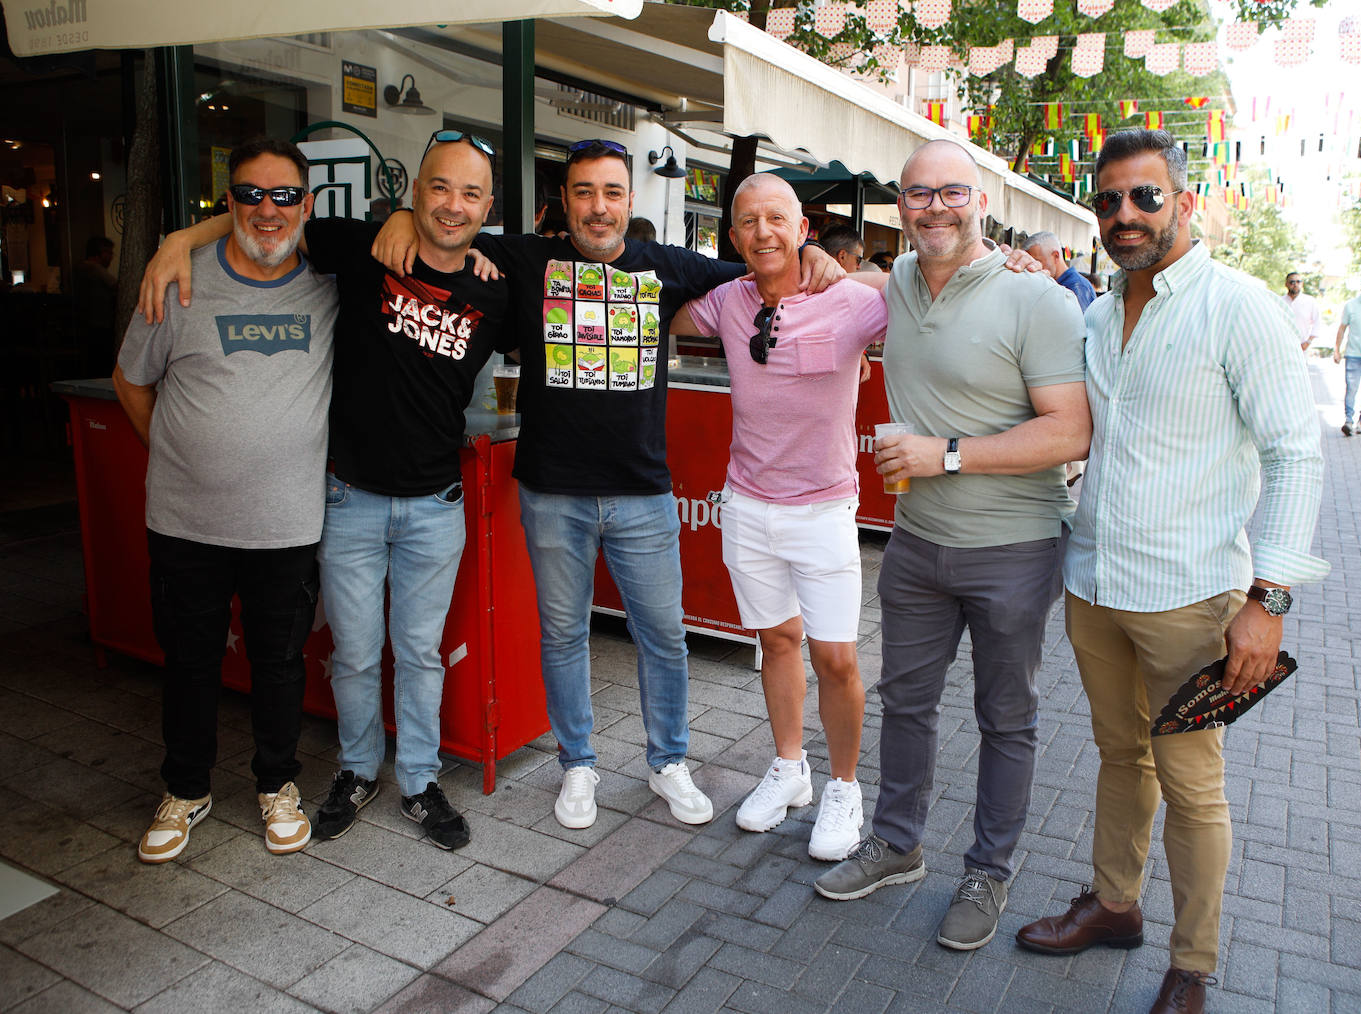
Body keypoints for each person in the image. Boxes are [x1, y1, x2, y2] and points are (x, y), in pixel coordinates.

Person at [373, 138, 844, 831]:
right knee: (562, 635)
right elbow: (450, 224)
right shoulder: (523, 260)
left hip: (643, 493)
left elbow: (758, 266)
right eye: (585, 192)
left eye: (613, 192)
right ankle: (579, 765)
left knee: (663, 636)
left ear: (632, 200)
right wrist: (399, 219)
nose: (599, 207)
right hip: (551, 491)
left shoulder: (666, 267)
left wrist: (811, 255)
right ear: (563, 202)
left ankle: (668, 763)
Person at [1014, 129, 1327, 1014]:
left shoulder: (1238, 306)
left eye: (1144, 197)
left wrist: (1268, 600)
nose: (1124, 214)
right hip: (1096, 585)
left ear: (1183, 203)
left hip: (1193, 599)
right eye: (1108, 200)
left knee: (1192, 785)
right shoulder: (1097, 314)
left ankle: (1194, 964)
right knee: (1121, 755)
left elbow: (1297, 456)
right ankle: (1115, 905)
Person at [138, 131, 513, 851]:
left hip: (436, 504)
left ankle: (419, 781)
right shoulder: (362, 248)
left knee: (421, 652)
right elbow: (269, 213)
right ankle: (355, 771)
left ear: (488, 207)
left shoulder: (500, 283)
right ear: (414, 193)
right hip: (348, 499)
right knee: (355, 653)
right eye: (438, 187)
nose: (453, 205)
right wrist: (177, 239)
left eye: (470, 193)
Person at [813, 139, 1090, 955]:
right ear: (900, 204)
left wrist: (950, 452)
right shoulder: (897, 281)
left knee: (1005, 718)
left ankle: (988, 871)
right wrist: (812, 257)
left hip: (1014, 546)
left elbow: (1071, 430)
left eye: (951, 192)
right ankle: (897, 843)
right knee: (906, 703)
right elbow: (856, 280)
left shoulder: (1036, 300)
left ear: (982, 201)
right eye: (917, 193)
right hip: (916, 543)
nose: (934, 206)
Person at [115, 137, 338, 863]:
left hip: (287, 523)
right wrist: (181, 455)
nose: (267, 210)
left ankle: (276, 782)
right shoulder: (177, 282)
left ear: (308, 205)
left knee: (279, 664)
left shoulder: (331, 286)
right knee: (189, 661)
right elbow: (131, 381)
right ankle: (186, 787)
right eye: (250, 194)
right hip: (186, 522)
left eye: (284, 196)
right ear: (228, 203)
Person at [669, 174, 887, 860]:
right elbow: (669, 312)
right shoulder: (727, 302)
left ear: (802, 229)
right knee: (777, 643)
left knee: (838, 658)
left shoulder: (848, 300)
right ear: (732, 238)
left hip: (824, 510)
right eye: (748, 222)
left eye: (777, 219)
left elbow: (924, 295)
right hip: (747, 506)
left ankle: (844, 787)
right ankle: (790, 769)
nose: (763, 231)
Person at [1335, 271, 1361, 436]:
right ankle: (1348, 421)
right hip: (1353, 355)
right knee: (1351, 388)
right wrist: (1337, 349)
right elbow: (1342, 328)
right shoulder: (1351, 305)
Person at [73, 235, 118, 373]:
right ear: (100, 253)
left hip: (85, 324)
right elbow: (117, 286)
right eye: (109, 253)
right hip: (99, 325)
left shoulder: (78, 269)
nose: (111, 257)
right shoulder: (94, 269)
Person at [1022, 230, 1096, 311]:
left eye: (1037, 261)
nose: (1032, 267)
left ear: (1056, 256)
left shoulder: (1077, 287)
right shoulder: (1052, 283)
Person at [1282, 271, 1319, 352]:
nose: (1295, 284)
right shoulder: (1280, 302)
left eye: (1298, 281)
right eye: (1292, 282)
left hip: (1303, 347)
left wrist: (1308, 342)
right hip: (1283, 346)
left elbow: (1317, 323)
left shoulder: (1310, 301)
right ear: (1286, 284)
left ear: (1302, 284)